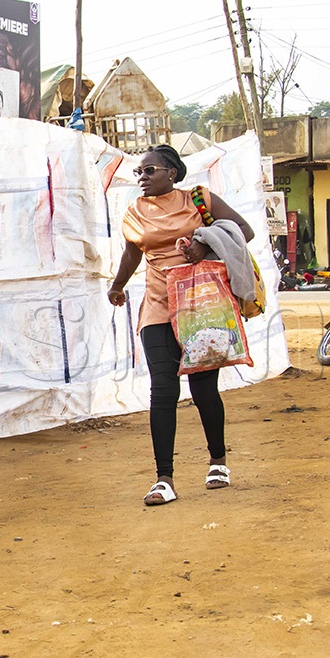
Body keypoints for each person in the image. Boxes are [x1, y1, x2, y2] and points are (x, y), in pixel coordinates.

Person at [107, 145, 254, 506]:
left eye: (149, 170)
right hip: (157, 306)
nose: (141, 177)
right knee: (163, 390)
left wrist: (205, 245)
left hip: (200, 306)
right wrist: (117, 285)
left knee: (203, 389)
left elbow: (243, 231)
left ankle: (218, 461)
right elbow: (132, 252)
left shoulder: (199, 199)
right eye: (138, 172)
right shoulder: (134, 211)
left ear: (172, 172)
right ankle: (164, 479)